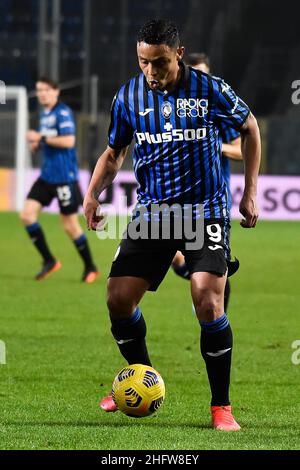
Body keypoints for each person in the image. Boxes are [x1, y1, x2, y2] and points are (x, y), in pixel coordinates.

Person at [84, 20, 261, 431]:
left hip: (206, 212)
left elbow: (250, 127)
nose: (151, 71)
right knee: (117, 300)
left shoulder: (210, 89)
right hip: (153, 215)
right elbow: (114, 153)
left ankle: (221, 408)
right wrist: (93, 195)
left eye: (160, 62)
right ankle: (143, 378)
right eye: (143, 62)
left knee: (206, 297)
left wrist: (250, 191)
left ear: (178, 55)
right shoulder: (128, 95)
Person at [172, 52, 243, 312]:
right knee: (175, 257)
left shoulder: (218, 108)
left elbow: (240, 150)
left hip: (213, 198)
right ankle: (207, 286)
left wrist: (214, 146)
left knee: (212, 259)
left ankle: (214, 296)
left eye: (203, 72)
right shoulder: (175, 108)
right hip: (179, 196)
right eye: (194, 73)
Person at [20, 77, 99, 282]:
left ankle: (90, 267)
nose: (42, 94)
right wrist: (36, 145)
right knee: (27, 215)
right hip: (47, 176)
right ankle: (49, 260)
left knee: (70, 225)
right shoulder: (45, 115)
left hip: (65, 178)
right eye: (39, 90)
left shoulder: (62, 112)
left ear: (56, 92)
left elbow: (69, 141)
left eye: (46, 90)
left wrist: (40, 138)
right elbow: (47, 142)